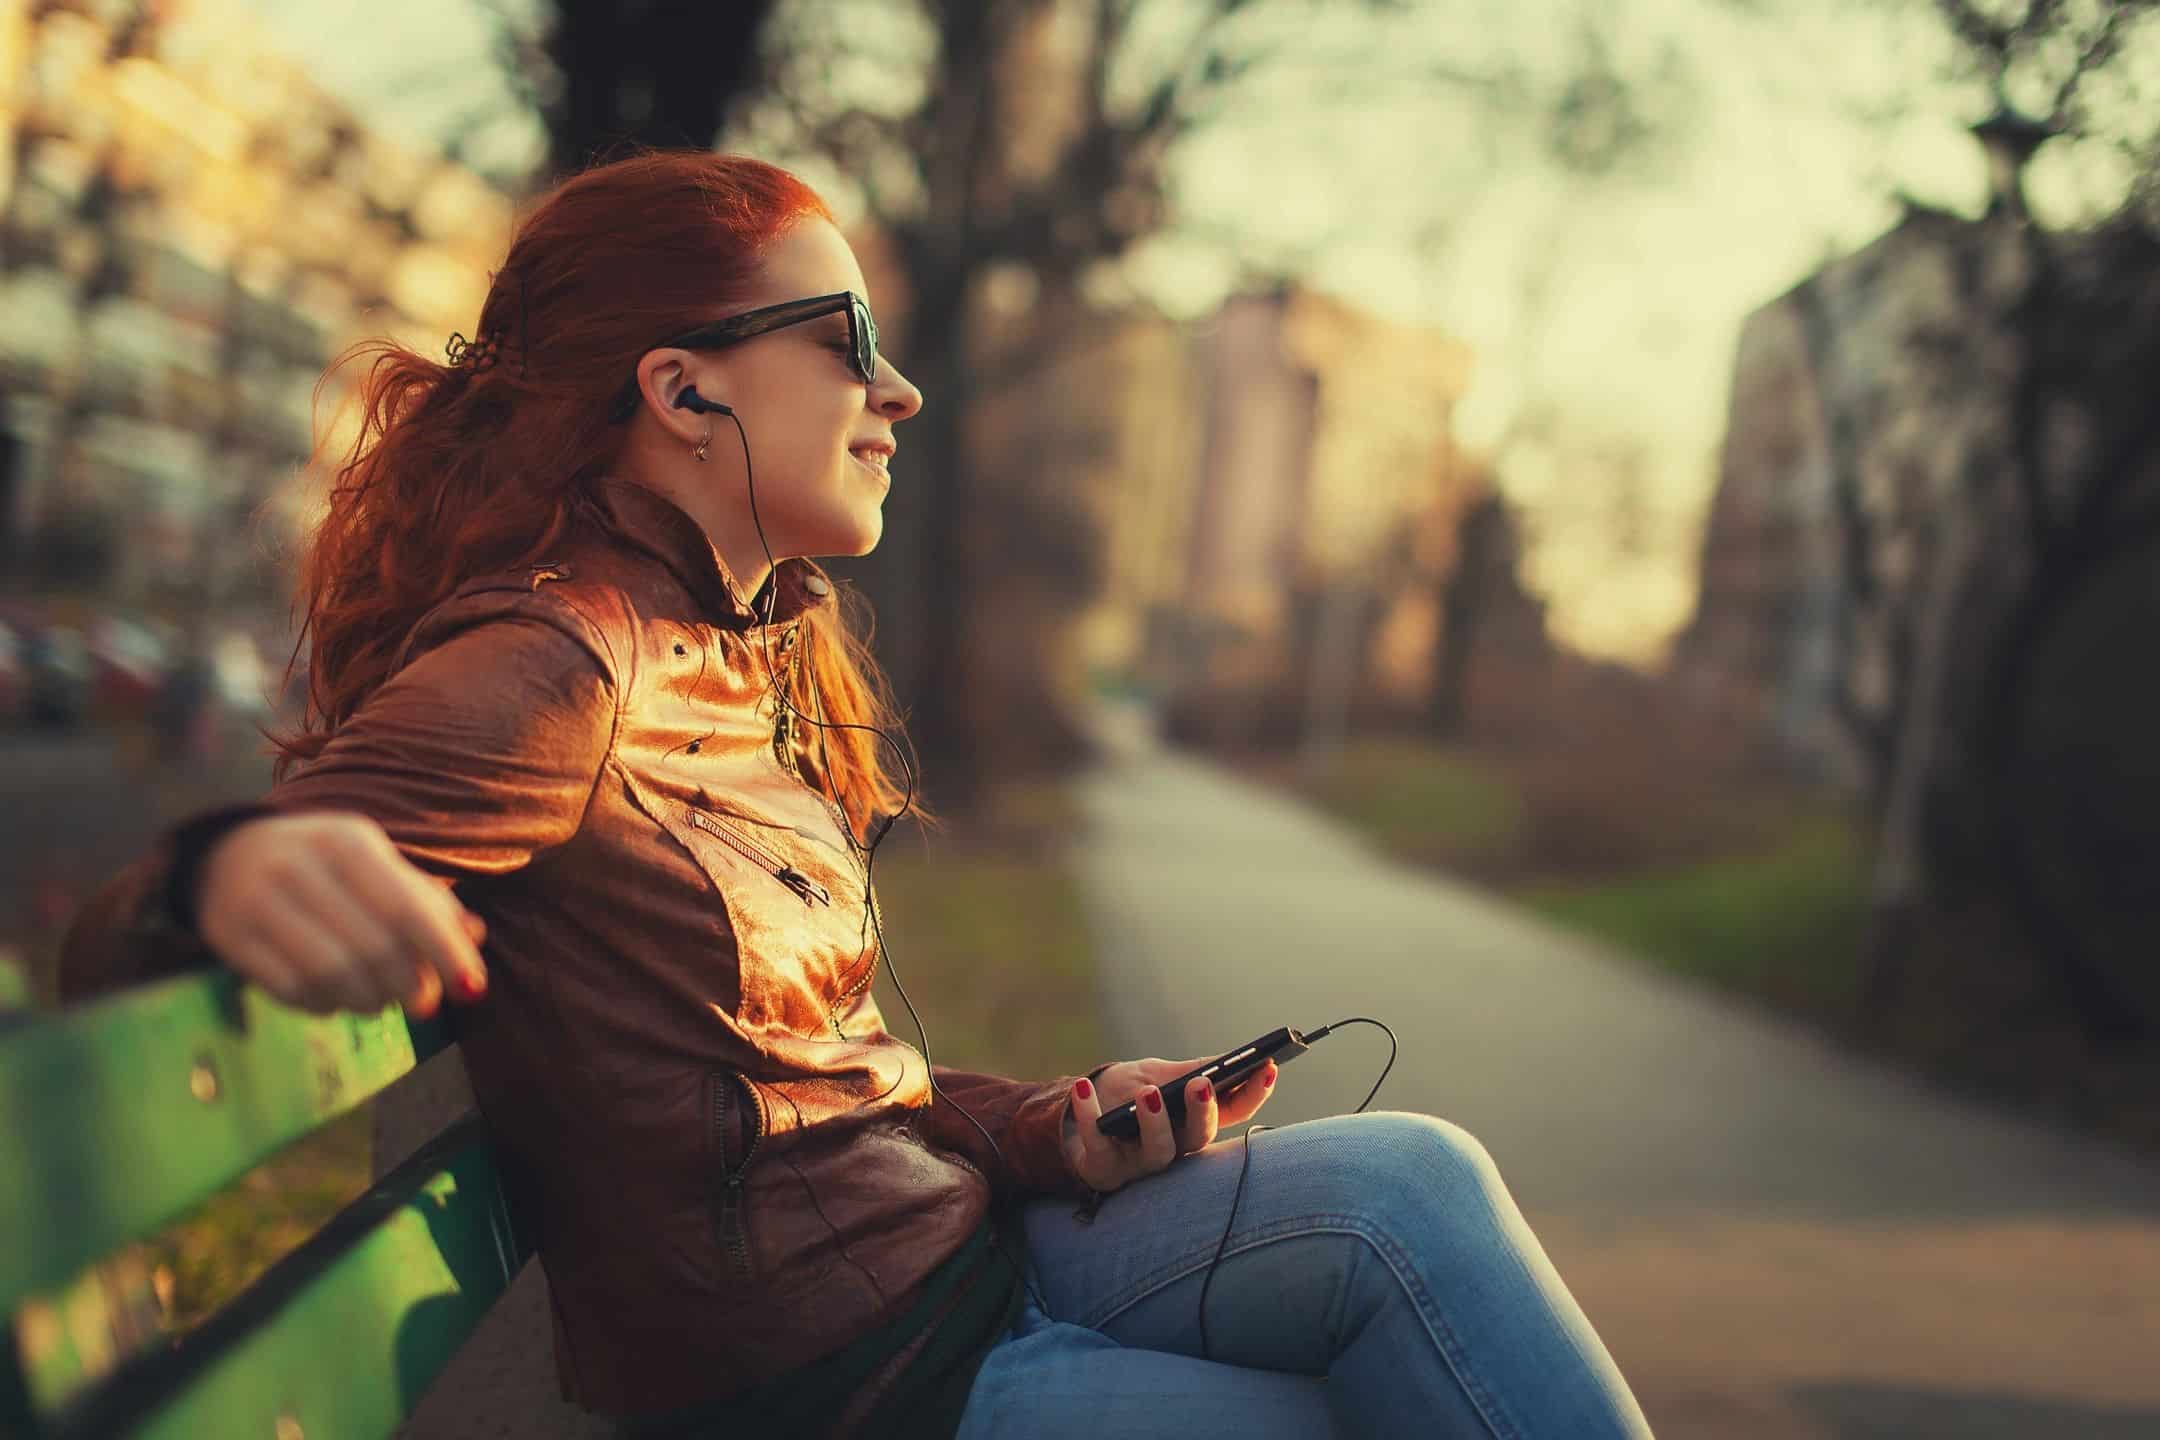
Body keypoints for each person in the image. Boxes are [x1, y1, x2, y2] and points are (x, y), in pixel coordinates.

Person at [59, 152, 1653, 1439]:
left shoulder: (723, 651)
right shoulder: (564, 660)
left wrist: (1050, 1129)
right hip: (863, 1387)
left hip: (956, 1270)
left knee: (1418, 1180)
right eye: (850, 344)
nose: (896, 396)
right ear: (686, 395)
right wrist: (225, 881)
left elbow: (784, 1088)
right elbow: (160, 928)